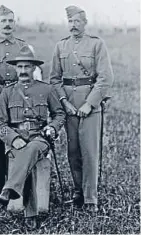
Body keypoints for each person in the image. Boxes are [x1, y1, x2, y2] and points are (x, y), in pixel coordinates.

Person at [49, 5, 114, 212]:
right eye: (70, 21)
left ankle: (90, 198)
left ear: (85, 23)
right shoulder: (61, 47)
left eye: (77, 21)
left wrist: (90, 103)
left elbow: (105, 78)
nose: (73, 25)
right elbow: (54, 79)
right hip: (69, 105)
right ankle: (78, 192)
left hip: (90, 106)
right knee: (73, 151)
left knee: (90, 152)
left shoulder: (97, 44)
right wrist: (64, 102)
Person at [0, 45, 66, 228]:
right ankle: (30, 214)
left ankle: (9, 189)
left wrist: (53, 127)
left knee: (31, 149)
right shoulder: (7, 92)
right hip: (16, 138)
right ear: (15, 68)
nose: (23, 71)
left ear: (34, 68)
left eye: (27, 67)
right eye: (20, 67)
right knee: (26, 158)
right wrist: (12, 138)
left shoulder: (46, 89)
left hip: (39, 138)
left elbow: (60, 114)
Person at [0, 5, 40, 198]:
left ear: (15, 24)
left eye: (10, 21)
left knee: (19, 143)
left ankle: (20, 188)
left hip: (18, 102)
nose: (7, 24)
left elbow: (34, 76)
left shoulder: (23, 47)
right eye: (3, 21)